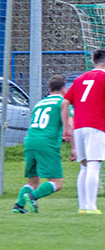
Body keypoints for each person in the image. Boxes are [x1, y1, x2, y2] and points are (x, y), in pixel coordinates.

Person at [61, 48, 105, 214]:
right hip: (96, 124)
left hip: (79, 126)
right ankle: (92, 207)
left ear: (93, 62)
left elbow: (64, 103)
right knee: (94, 164)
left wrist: (66, 127)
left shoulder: (80, 79)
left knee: (84, 166)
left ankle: (82, 207)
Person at [12, 75, 75, 214]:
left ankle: (18, 206)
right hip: (47, 143)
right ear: (64, 89)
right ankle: (32, 197)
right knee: (57, 182)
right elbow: (71, 125)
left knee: (33, 181)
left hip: (30, 141)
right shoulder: (63, 103)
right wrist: (74, 148)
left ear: (49, 89)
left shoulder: (39, 103)